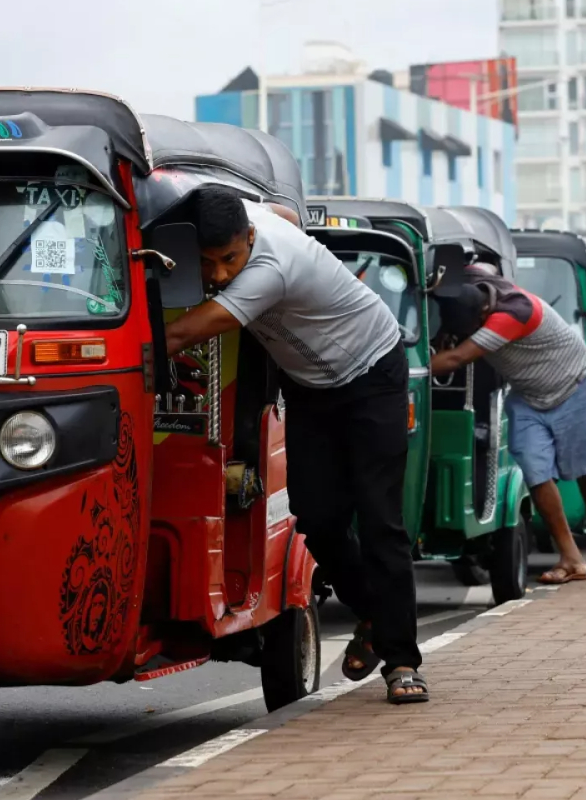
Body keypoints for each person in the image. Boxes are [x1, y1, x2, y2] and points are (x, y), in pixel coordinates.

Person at [163, 186, 427, 704]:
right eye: (207, 263)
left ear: (252, 238)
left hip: (373, 371)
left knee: (379, 520)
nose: (218, 274)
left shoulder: (271, 268)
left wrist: (124, 343)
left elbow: (190, 329)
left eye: (229, 259)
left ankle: (401, 662)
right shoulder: (257, 215)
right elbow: (284, 211)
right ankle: (372, 613)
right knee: (316, 516)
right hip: (310, 386)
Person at [429, 268, 586, 584]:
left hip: (576, 385)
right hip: (529, 396)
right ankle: (571, 557)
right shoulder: (478, 286)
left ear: (484, 312)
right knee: (535, 473)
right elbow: (465, 267)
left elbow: (456, 359)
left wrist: (403, 367)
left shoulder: (512, 314)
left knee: (585, 469)